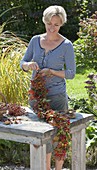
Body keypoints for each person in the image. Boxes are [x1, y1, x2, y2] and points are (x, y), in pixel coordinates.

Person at [20, 5, 76, 170]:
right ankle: (45, 168)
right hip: (36, 97)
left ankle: (58, 168)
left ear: (61, 24)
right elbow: (22, 63)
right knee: (40, 135)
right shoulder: (35, 40)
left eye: (56, 25)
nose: (52, 28)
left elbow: (71, 73)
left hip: (57, 97)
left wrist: (52, 71)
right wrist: (28, 65)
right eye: (49, 24)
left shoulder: (66, 45)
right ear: (44, 22)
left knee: (60, 135)